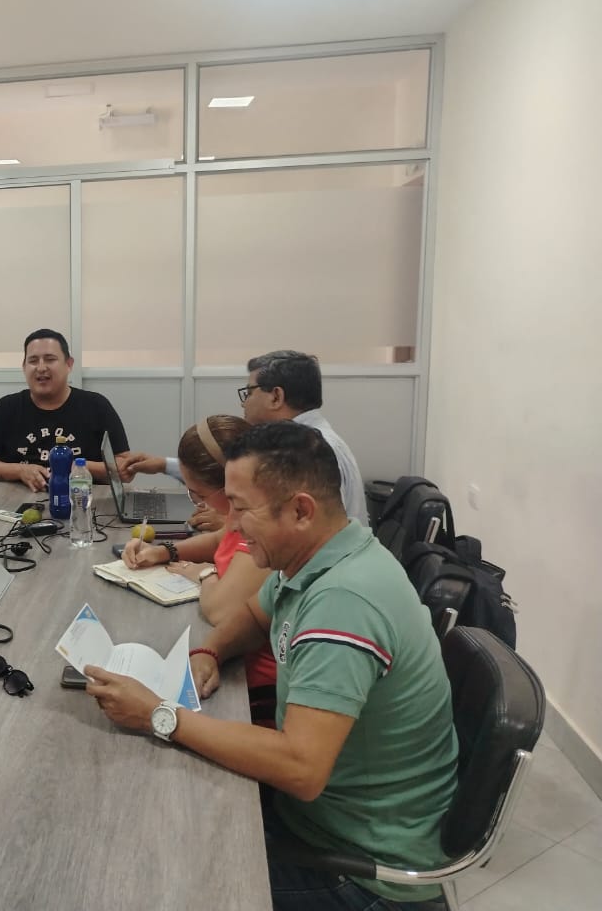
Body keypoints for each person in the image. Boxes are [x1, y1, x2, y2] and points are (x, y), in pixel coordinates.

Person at [85, 422, 457, 911]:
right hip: (318, 819)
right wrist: (210, 651)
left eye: (242, 509)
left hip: (362, 870)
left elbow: (300, 768)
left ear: (300, 510)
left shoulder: (344, 601)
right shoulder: (321, 554)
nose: (232, 526)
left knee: (143, 880)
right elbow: (255, 616)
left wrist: (159, 714)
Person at [119, 416, 276, 724]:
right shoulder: (245, 511)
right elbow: (220, 539)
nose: (231, 521)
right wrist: (164, 551)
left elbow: (222, 610)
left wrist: (204, 574)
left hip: (249, 689)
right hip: (229, 658)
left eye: (199, 494)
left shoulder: (263, 527)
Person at [118, 349, 369, 526]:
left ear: (276, 397)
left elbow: (308, 539)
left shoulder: (312, 453)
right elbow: (227, 471)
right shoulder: (299, 442)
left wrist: (230, 524)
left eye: (248, 393)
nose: (243, 403)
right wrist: (163, 465)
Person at [0, 328, 130, 491]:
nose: (41, 368)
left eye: (50, 359)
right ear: (24, 367)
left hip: (82, 499)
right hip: (18, 500)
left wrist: (78, 467)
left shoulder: (96, 406)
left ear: (69, 364)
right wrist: (20, 470)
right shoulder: (6, 408)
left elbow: (125, 469)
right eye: (33, 361)